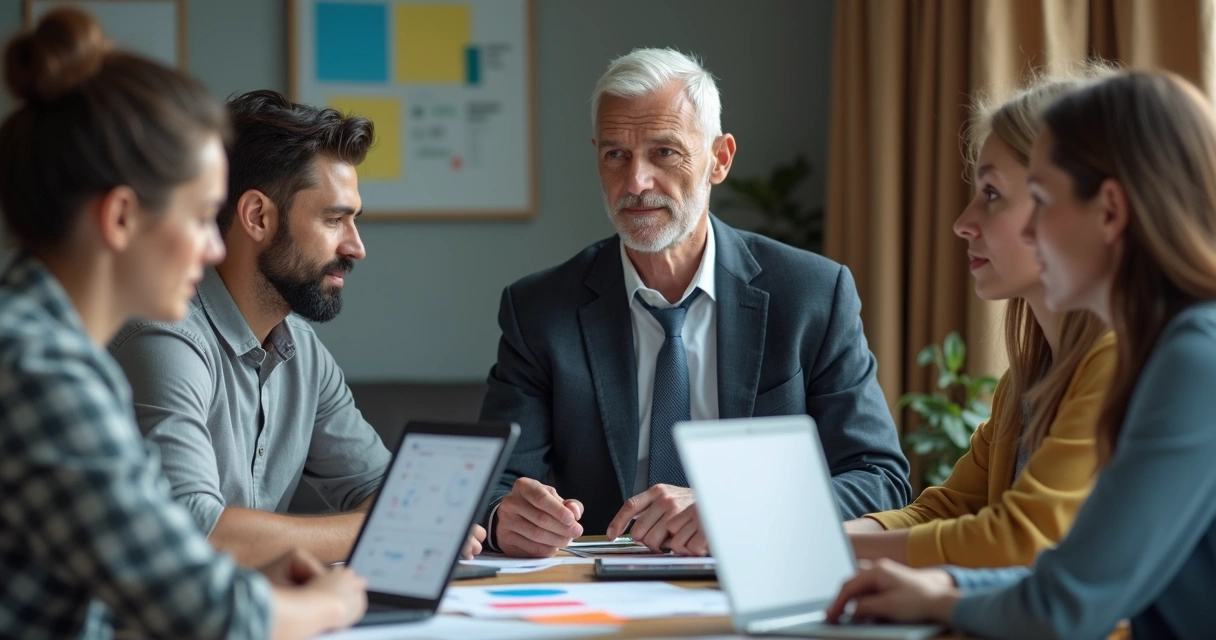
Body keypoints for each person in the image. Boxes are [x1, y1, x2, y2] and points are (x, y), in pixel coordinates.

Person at [0, 9, 365, 637]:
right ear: (119, 219)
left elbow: (144, 572)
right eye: (200, 217)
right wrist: (333, 602)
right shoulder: (39, 369)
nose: (215, 248)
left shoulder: (57, 353)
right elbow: (201, 611)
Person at [827, 70, 1216, 640]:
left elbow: (1068, 601)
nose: (1030, 231)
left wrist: (946, 597)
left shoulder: (1192, 356)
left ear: (1109, 211)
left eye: (1040, 199)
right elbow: (1078, 577)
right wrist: (949, 589)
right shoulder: (1164, 350)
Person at [479, 47, 911, 559]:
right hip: (598, 588)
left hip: (758, 568)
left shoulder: (811, 294)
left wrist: (734, 508)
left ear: (719, 159)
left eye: (664, 151)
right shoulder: (539, 310)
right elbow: (491, 482)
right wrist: (504, 514)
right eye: (616, 154)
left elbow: (879, 479)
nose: (636, 182)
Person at [108, 89, 484, 566]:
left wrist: (433, 515)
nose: (356, 247)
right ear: (258, 217)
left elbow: (380, 488)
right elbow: (194, 531)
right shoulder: (165, 339)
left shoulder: (301, 351)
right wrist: (388, 527)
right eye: (334, 220)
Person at [844, 73, 1115, 568]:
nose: (962, 222)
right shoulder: (1026, 381)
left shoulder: (1118, 359)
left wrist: (816, 546)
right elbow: (950, 509)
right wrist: (829, 535)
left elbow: (1019, 539)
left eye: (992, 193)